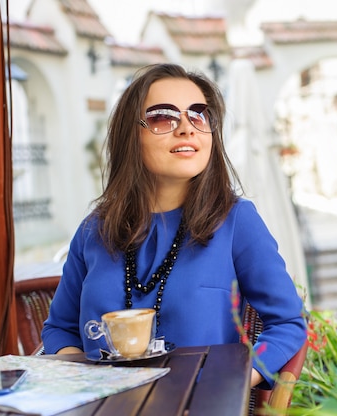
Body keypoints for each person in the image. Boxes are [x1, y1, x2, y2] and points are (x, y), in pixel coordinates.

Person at [42, 63, 307, 388]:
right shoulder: (93, 231)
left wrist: (233, 384)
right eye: (162, 116)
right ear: (131, 135)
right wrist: (81, 384)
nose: (186, 128)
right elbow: (59, 329)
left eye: (199, 114)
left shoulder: (236, 221)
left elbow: (288, 323)